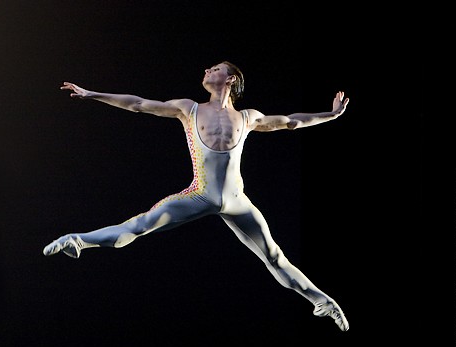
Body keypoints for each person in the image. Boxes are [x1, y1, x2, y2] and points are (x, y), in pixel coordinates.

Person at [44, 61, 350, 331]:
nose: (207, 70)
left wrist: (332, 115)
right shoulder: (188, 109)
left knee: (274, 256)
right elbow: (137, 103)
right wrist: (92, 94)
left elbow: (291, 121)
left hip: (237, 200)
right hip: (200, 194)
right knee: (139, 226)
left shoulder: (248, 117)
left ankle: (323, 302)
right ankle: (78, 240)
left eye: (216, 68)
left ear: (231, 79)